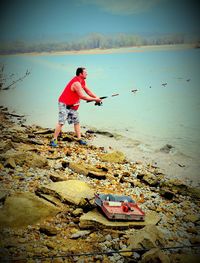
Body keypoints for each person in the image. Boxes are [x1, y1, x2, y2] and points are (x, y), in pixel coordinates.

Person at [50, 67, 102, 147]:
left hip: (73, 105)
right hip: (64, 104)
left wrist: (97, 98)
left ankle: (79, 139)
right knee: (61, 122)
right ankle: (54, 140)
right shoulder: (76, 83)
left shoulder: (82, 81)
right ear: (80, 74)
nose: (87, 74)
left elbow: (88, 91)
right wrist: (95, 99)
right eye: (85, 72)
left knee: (76, 122)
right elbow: (82, 96)